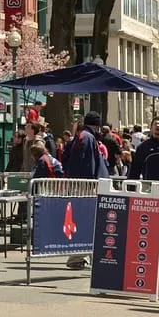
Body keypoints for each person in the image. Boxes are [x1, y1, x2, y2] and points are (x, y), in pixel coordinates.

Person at [60, 111, 109, 269]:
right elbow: (86, 164)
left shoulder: (83, 136)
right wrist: (90, 184)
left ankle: (84, 256)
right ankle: (78, 256)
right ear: (97, 125)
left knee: (87, 222)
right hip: (87, 187)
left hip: (84, 185)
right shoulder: (87, 138)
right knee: (87, 222)